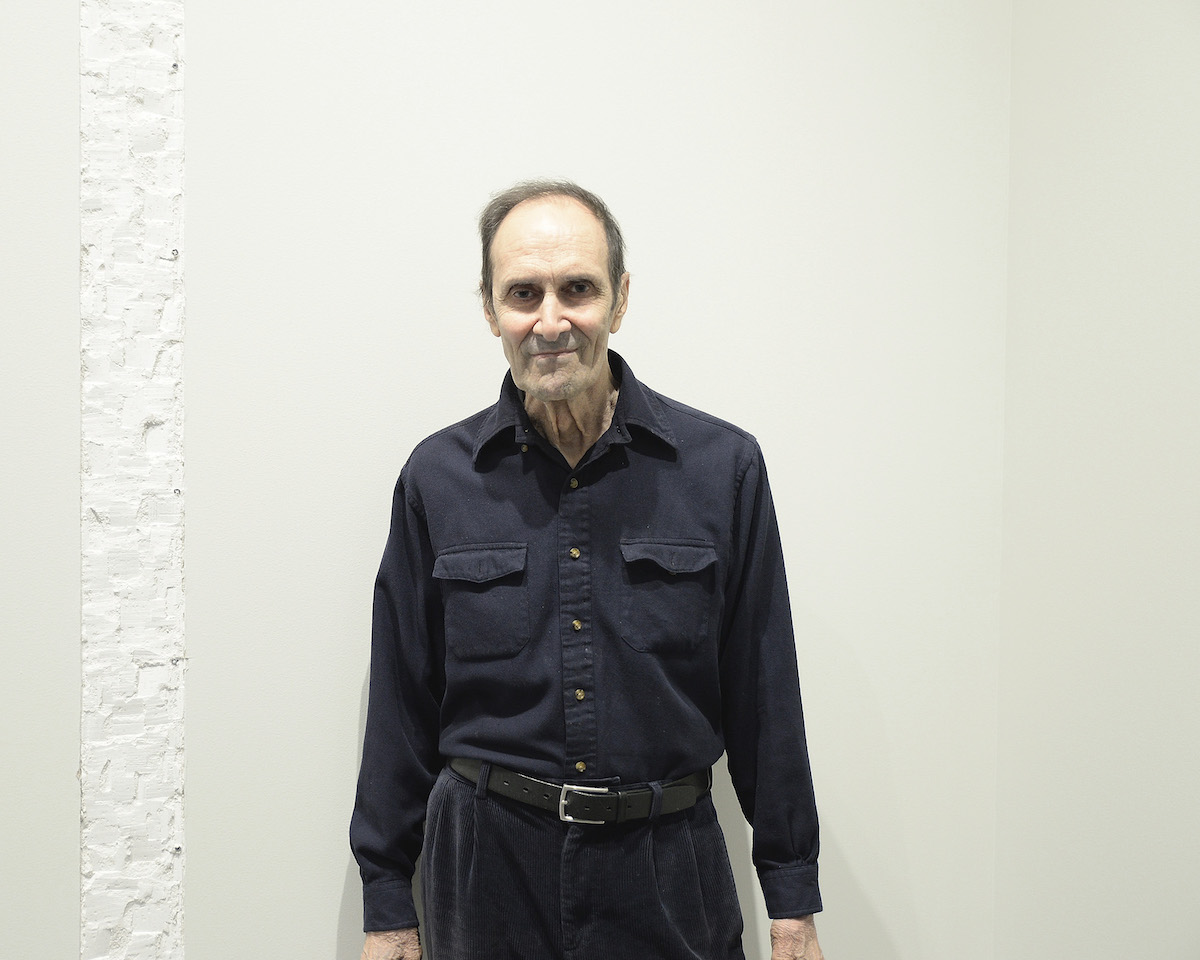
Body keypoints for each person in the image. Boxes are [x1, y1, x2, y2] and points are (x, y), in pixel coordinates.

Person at [351, 180, 825, 960]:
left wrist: (792, 901)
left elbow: (764, 696)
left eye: (577, 289)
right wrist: (388, 908)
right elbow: (401, 706)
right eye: (522, 293)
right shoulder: (437, 478)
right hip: (484, 873)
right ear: (488, 307)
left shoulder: (721, 470)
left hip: (667, 869)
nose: (550, 320)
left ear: (621, 296)